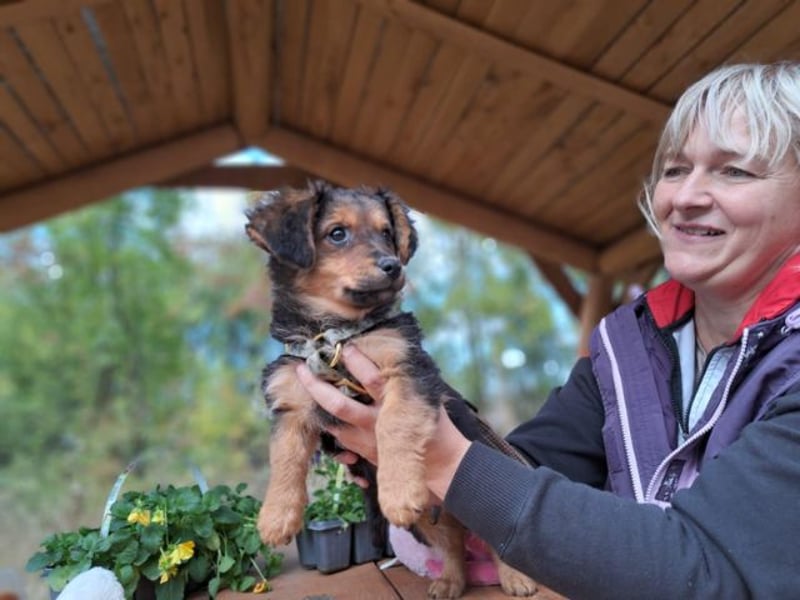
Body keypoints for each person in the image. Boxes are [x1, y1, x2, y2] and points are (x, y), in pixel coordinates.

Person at [295, 62, 800, 599]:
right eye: (675, 169)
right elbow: (529, 466)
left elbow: (708, 568)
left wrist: (445, 461)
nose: (685, 196)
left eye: (734, 171)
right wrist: (403, 432)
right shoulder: (632, 344)